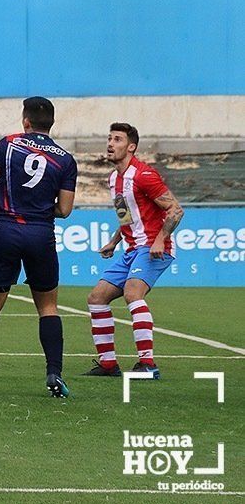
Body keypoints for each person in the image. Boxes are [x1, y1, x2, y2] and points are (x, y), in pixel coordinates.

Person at [0, 97, 77, 398]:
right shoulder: (65, 159)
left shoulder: (8, 144)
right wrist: (40, 210)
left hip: (5, 229)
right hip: (41, 233)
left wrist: (3, 200)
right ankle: (54, 373)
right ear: (50, 124)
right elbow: (65, 209)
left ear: (25, 120)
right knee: (48, 307)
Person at [83, 123, 183, 379]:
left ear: (131, 147)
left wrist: (161, 239)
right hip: (131, 250)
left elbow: (176, 210)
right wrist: (114, 241)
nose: (110, 143)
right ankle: (108, 365)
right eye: (109, 138)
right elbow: (125, 216)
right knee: (96, 298)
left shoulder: (144, 175)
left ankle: (148, 364)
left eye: (117, 139)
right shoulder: (114, 178)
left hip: (152, 248)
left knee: (132, 292)